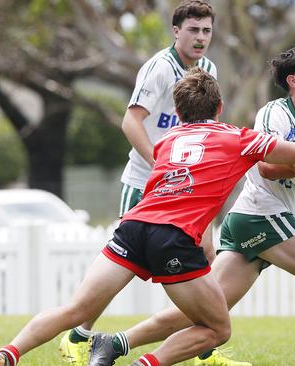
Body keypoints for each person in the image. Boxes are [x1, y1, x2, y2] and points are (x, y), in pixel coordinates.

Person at [0, 68, 295, 366]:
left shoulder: (169, 139)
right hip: (172, 238)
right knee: (218, 329)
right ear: (219, 107)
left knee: (76, 312)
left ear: (178, 111)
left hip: (132, 228)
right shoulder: (238, 137)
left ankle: (6, 354)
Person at [88, 41, 295, 366]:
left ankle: (115, 343)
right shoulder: (273, 112)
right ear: (293, 80)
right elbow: (265, 167)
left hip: (254, 219)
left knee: (208, 313)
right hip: (260, 213)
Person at [58, 1, 231, 365]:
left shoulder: (209, 69)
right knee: (121, 267)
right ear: (176, 31)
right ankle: (77, 337)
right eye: (193, 30)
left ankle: (203, 348)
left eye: (206, 31)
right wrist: (161, 166)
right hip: (145, 182)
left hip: (189, 186)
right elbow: (131, 122)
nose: (200, 38)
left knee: (208, 255)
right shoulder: (159, 68)